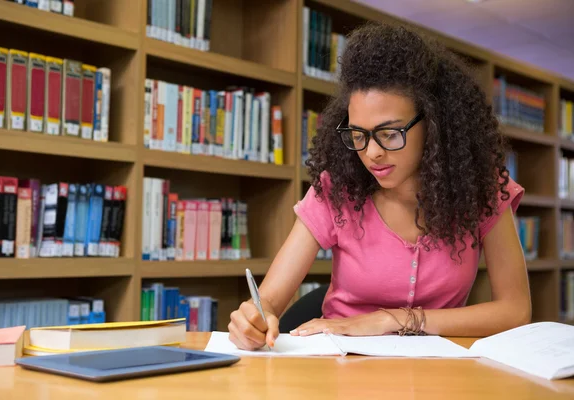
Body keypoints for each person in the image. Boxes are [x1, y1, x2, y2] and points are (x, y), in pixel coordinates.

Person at [228, 21, 532, 351]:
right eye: (358, 135)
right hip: (341, 364)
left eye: (389, 133)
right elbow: (269, 299)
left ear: (432, 124)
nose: (372, 152)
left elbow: (515, 310)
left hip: (437, 371)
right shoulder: (336, 190)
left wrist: (392, 319)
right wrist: (254, 318)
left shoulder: (482, 191)